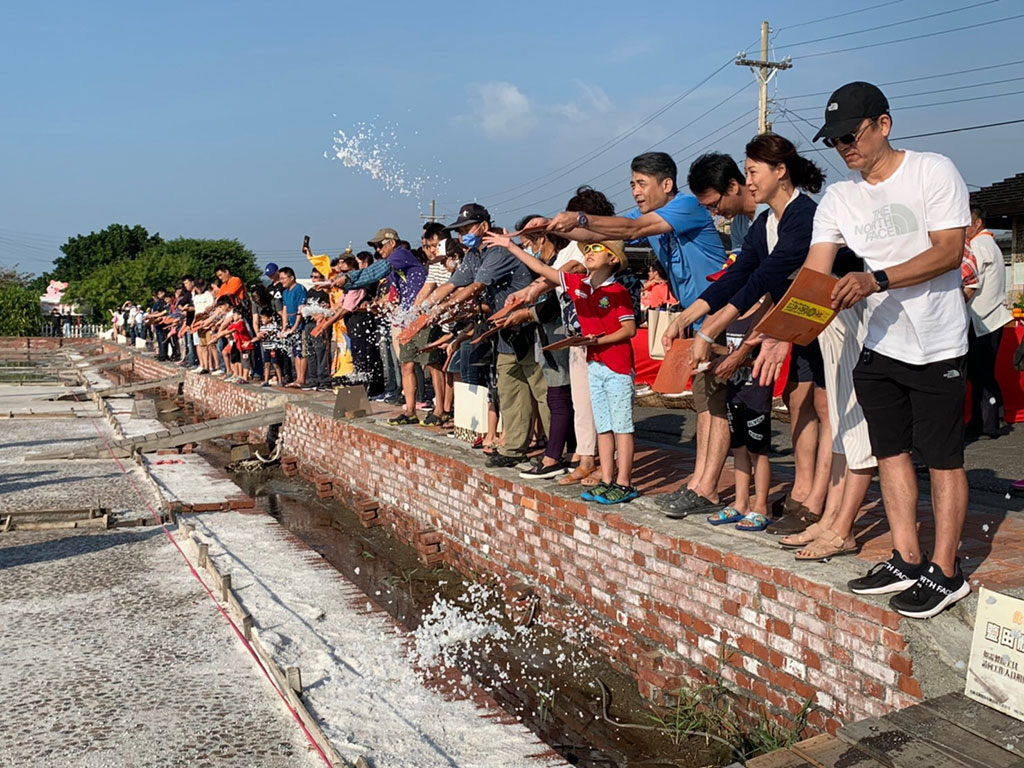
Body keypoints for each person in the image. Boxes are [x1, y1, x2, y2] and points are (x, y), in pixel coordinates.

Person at [800, 81, 972, 619]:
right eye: (834, 142)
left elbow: (948, 253)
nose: (844, 149)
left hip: (937, 341)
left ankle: (946, 572)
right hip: (878, 344)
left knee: (942, 458)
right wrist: (779, 334)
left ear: (883, 124)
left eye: (851, 135)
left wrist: (876, 279)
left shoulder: (932, 171)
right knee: (891, 452)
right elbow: (814, 271)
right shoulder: (839, 196)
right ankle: (907, 556)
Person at [535, 152, 729, 517]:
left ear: (666, 184)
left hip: (721, 314)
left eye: (641, 183)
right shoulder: (650, 218)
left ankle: (709, 488)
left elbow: (630, 231)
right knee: (706, 404)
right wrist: (555, 228)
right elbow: (598, 233)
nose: (636, 192)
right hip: (699, 317)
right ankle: (701, 484)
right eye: (632, 185)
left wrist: (578, 218)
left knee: (720, 406)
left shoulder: (685, 205)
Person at [670, 134, 834, 528]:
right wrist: (690, 314)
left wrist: (713, 329)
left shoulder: (805, 217)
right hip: (795, 324)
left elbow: (766, 276)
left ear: (781, 171)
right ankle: (801, 490)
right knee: (797, 403)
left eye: (754, 172)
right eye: (746, 173)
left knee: (827, 408)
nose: (750, 182)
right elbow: (738, 275)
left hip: (829, 319)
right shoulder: (764, 223)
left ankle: (818, 498)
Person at [493, 234, 640, 504]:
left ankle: (624, 482)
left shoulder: (617, 291)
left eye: (597, 248)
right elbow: (543, 270)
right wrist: (511, 246)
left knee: (622, 426)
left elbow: (628, 329)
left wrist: (598, 340)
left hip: (616, 365)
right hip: (594, 362)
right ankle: (607, 479)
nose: (590, 252)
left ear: (613, 259)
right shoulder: (580, 285)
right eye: (588, 249)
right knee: (604, 426)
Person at [439, 204, 549, 467]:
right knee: (511, 392)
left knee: (542, 392)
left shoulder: (497, 250)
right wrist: (425, 309)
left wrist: (441, 309)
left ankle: (557, 449)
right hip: (503, 332)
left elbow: (476, 287)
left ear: (483, 227)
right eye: (459, 231)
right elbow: (452, 285)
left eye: (466, 229)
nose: (461, 235)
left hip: (526, 326)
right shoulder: (473, 255)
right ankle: (514, 449)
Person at [963, 206, 1012, 439]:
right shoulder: (990, 245)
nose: (964, 229)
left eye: (967, 223)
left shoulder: (980, 246)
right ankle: (986, 418)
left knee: (980, 372)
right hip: (988, 318)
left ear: (978, 223)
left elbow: (969, 279)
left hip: (984, 319)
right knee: (980, 372)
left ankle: (988, 421)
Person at [687, 151, 760, 254]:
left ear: (732, 187)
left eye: (714, 205)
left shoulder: (774, 210)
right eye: (708, 208)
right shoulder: (737, 227)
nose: (714, 212)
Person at [278, 267, 308, 388]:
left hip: (300, 324)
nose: (282, 281)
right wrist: (284, 325)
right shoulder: (285, 292)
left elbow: (300, 309)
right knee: (295, 352)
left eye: (283, 278)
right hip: (290, 323)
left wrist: (295, 326)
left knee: (302, 351)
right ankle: (297, 378)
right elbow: (285, 309)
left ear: (291, 277)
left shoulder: (300, 289)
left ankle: (302, 378)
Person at [253, 306, 284, 386]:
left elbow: (263, 336)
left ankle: (280, 380)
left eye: (263, 318)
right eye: (261, 318)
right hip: (266, 347)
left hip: (273, 348)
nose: (262, 320)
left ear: (270, 318)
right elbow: (260, 336)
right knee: (266, 364)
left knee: (275, 364)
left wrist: (251, 341)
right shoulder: (262, 327)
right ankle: (266, 380)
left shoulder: (274, 326)